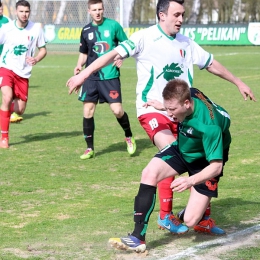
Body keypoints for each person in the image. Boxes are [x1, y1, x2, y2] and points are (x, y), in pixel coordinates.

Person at [66, 0, 256, 236]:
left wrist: (238, 82)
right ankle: (165, 215)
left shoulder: (186, 43)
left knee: (201, 159)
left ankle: (201, 217)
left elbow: (211, 64)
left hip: (184, 114)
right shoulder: (144, 38)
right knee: (170, 151)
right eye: (176, 14)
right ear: (161, 15)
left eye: (183, 14)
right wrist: (83, 74)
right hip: (152, 110)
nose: (181, 19)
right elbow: (111, 54)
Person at [109, 79, 232, 252]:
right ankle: (137, 237)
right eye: (168, 108)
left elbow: (216, 167)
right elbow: (181, 104)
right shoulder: (192, 92)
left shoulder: (209, 127)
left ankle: (189, 213)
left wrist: (191, 181)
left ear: (187, 104)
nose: (170, 114)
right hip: (182, 147)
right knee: (149, 173)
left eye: (172, 109)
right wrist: (163, 107)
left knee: (190, 220)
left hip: (205, 160)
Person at [73, 0, 136, 160]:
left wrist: (122, 56)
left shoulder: (113, 26)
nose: (97, 12)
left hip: (110, 76)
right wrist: (79, 66)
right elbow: (84, 52)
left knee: (117, 110)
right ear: (89, 11)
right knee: (88, 111)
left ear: (103, 9)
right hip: (91, 77)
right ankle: (89, 148)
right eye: (94, 10)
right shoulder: (86, 30)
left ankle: (128, 135)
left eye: (100, 9)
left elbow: (127, 44)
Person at [0, 0, 47, 148]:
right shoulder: (6, 29)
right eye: (21, 11)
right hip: (6, 68)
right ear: (16, 12)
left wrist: (36, 59)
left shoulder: (36, 29)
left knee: (19, 110)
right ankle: (4, 138)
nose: (24, 14)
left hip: (23, 73)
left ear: (29, 12)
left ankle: (4, 113)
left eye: (26, 11)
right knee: (7, 98)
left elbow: (43, 50)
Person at [0, 1, 24, 123]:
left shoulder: (7, 22)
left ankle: (10, 112)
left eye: (0, 8)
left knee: (8, 91)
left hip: (5, 60)